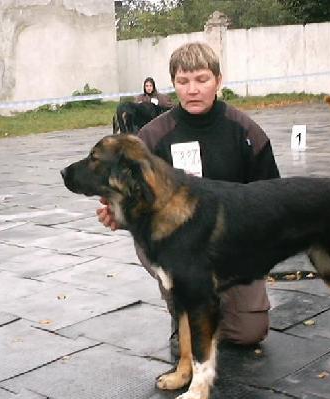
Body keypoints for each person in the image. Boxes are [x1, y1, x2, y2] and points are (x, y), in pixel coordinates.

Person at [98, 42, 280, 349]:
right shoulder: (151, 138)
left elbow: (271, 197)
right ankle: (185, 313)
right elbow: (129, 198)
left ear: (218, 81)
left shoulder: (246, 132)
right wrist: (119, 215)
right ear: (173, 84)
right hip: (175, 241)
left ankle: (210, 308)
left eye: (201, 80)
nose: (192, 90)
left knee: (248, 333)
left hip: (233, 244)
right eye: (183, 81)